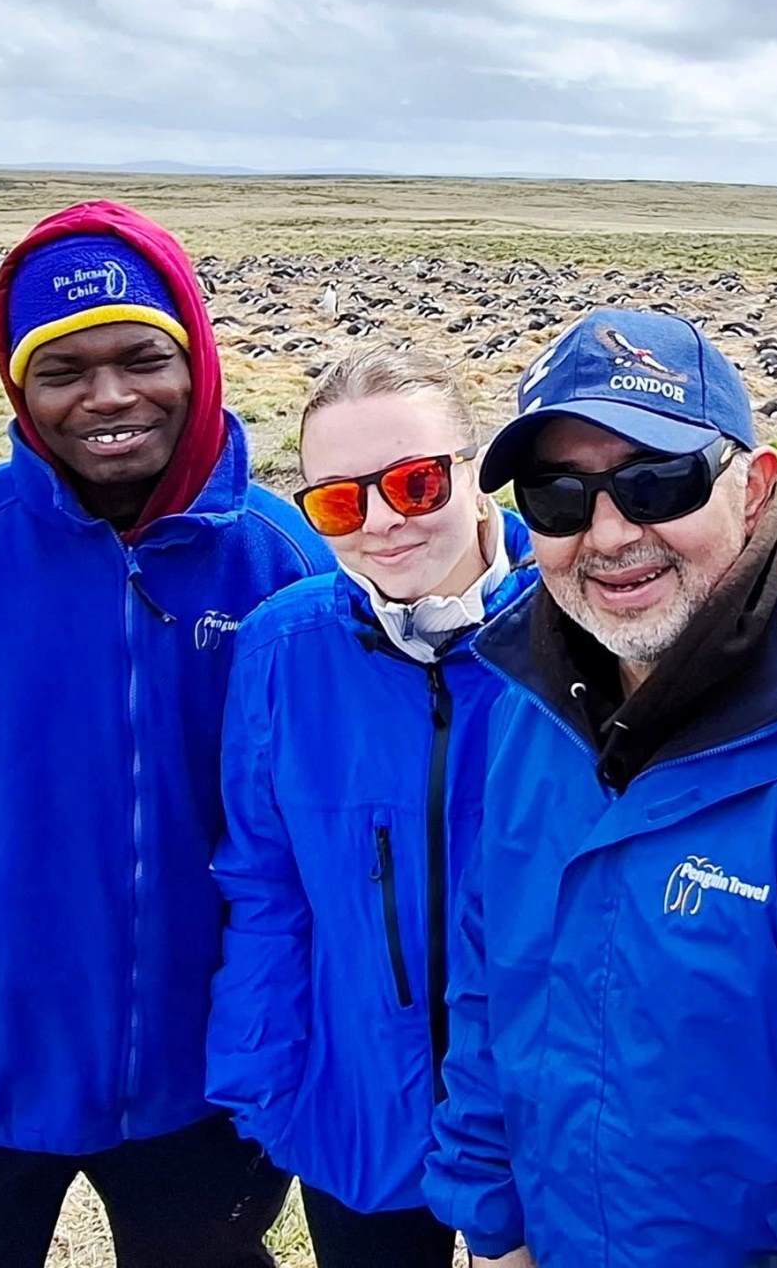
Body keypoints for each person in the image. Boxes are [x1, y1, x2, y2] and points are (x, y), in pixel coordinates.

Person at [0, 200, 333, 1268]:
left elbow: (324, 841)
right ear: (18, 388)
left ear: (197, 359)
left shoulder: (283, 562)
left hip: (210, 1076)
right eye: (62, 369)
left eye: (143, 357)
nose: (109, 395)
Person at [422, 308, 777, 1268]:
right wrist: (492, 1229)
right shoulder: (531, 709)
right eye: (557, 498)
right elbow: (489, 988)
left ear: (756, 483)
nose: (609, 533)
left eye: (658, 481)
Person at [207, 345, 536, 1268]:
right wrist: (267, 1077)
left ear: (476, 471)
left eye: (417, 483)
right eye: (340, 503)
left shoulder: (576, 635)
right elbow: (263, 882)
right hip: (358, 1104)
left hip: (541, 1118)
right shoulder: (281, 647)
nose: (385, 522)